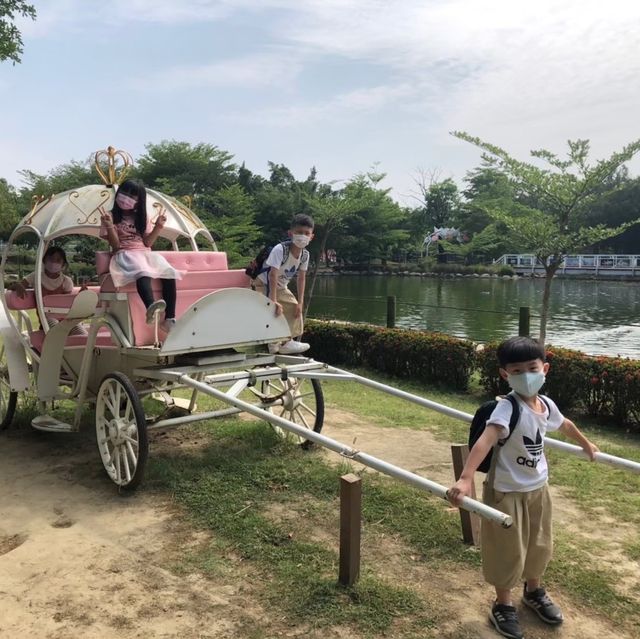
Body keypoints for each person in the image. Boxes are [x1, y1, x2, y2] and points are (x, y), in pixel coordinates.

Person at [447, 336, 598, 639]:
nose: (526, 376)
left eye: (532, 368)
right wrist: (466, 477)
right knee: (507, 550)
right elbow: (485, 441)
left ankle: (534, 590)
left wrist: (586, 444)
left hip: (538, 489)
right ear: (505, 374)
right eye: (516, 371)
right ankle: (503, 604)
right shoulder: (507, 408)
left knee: (539, 543)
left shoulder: (545, 404)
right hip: (506, 492)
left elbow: (564, 423)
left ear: (545, 368)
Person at [100, 179, 182, 333]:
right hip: (125, 253)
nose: (126, 198)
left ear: (139, 201)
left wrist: (158, 226)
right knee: (142, 271)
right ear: (118, 194)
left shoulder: (141, 217)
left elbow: (148, 242)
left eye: (132, 196)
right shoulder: (109, 216)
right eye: (124, 193)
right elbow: (115, 245)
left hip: (144, 253)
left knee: (169, 273)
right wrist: (110, 225)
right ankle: (150, 306)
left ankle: (170, 318)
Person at [254, 214, 314, 355]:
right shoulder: (280, 249)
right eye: (299, 232)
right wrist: (273, 300)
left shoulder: (305, 255)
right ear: (290, 233)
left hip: (280, 286)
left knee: (294, 308)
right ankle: (273, 343)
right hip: (263, 284)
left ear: (312, 236)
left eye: (306, 233)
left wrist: (301, 302)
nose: (302, 236)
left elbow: (301, 278)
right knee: (274, 310)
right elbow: (272, 275)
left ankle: (286, 342)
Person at [10, 245, 87, 335]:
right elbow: (17, 285)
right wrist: (17, 285)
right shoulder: (36, 276)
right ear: (44, 261)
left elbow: (68, 304)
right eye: (51, 259)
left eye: (58, 260)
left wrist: (81, 295)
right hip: (46, 319)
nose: (54, 262)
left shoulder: (66, 281)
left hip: (66, 319)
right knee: (57, 332)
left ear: (63, 264)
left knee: (83, 336)